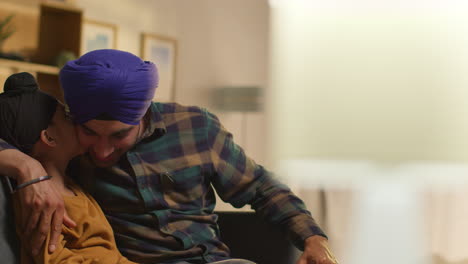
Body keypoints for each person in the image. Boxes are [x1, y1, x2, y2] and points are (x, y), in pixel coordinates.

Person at [0, 50, 338, 264]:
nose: (101, 151)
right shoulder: (63, 140)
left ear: (143, 114)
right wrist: (24, 165)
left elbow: (261, 187)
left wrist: (314, 239)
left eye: (119, 135)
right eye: (90, 133)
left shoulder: (196, 128)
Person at [0, 72, 138, 264]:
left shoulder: (73, 186)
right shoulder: (38, 204)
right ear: (49, 138)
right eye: (67, 117)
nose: (80, 122)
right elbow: (55, 259)